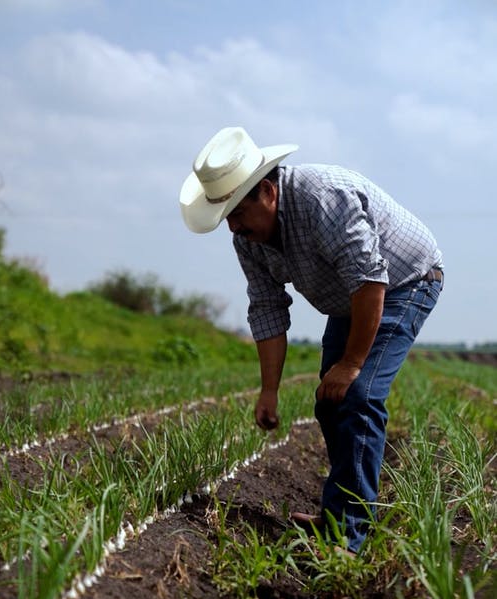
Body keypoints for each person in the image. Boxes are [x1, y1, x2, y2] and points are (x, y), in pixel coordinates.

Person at [180, 126, 443, 554]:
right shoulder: (250, 239)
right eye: (225, 217)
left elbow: (370, 279)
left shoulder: (323, 199)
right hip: (352, 297)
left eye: (237, 213)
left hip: (404, 282)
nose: (233, 227)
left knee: (356, 393)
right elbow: (267, 308)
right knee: (328, 399)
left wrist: (352, 362)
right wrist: (269, 389)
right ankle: (340, 515)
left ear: (266, 192)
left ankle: (349, 539)